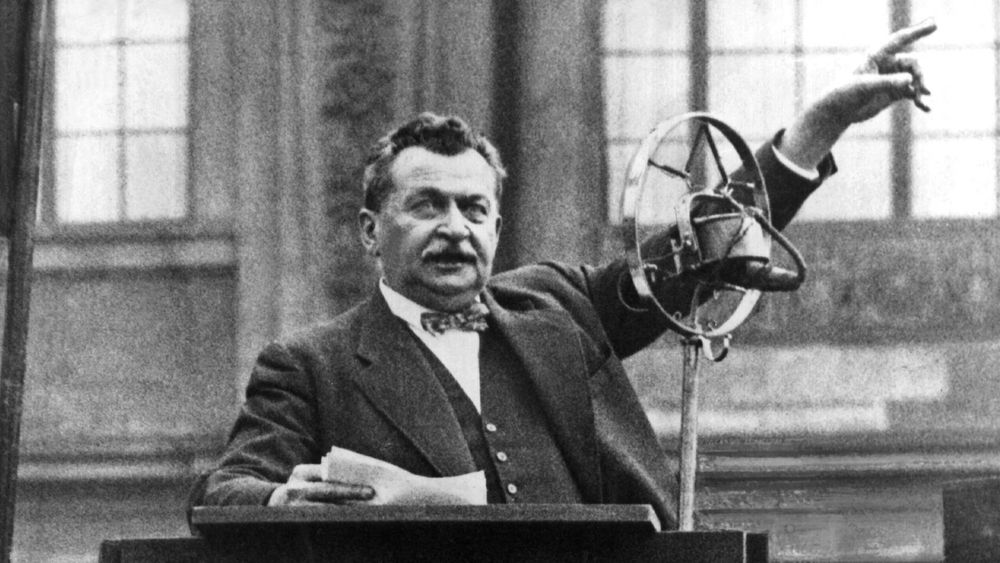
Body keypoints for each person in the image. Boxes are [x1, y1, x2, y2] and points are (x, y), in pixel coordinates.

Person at [192, 21, 936, 529]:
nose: (455, 227)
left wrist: (820, 126)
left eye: (474, 209)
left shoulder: (560, 304)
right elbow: (223, 492)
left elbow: (699, 247)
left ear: (496, 227)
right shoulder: (310, 366)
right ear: (369, 231)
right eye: (426, 205)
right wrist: (280, 501)